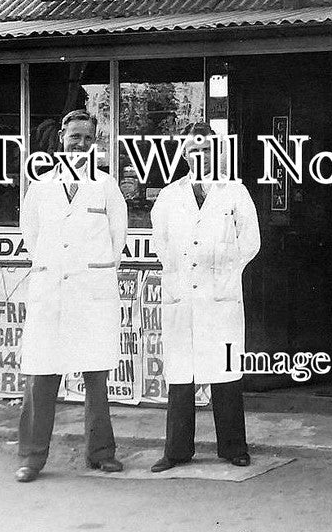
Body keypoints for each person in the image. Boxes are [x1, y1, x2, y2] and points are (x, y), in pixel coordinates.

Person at [14, 109, 129, 483]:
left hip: (90, 293)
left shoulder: (106, 186)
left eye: (87, 138)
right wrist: (55, 267)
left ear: (95, 143)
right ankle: (31, 457)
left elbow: (117, 238)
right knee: (42, 376)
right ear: (61, 139)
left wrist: (91, 270)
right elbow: (31, 238)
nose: (80, 144)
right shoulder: (41, 186)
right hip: (52, 292)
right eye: (74, 137)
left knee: (96, 375)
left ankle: (101, 453)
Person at [149, 121, 261, 471]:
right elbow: (160, 242)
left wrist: (224, 269)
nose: (201, 156)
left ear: (218, 154)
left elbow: (251, 241)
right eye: (194, 150)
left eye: (208, 150)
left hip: (220, 293)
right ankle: (176, 451)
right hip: (182, 293)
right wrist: (179, 270)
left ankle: (233, 448)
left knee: (225, 370)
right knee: (181, 374)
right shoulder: (169, 196)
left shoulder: (235, 192)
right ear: (184, 153)